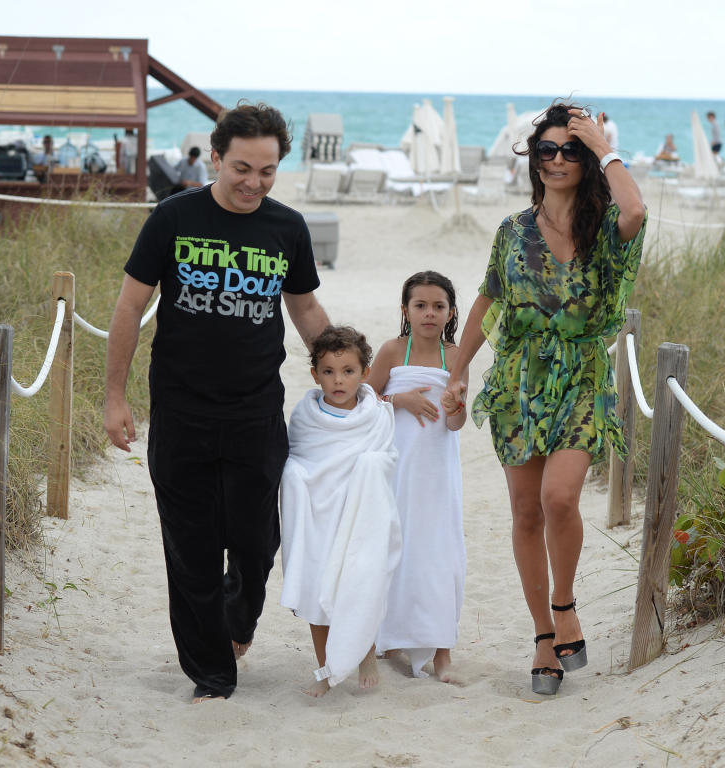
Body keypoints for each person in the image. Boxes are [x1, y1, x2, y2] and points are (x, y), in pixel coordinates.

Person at [104, 102, 330, 703]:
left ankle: (239, 618)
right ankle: (211, 674)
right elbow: (130, 306)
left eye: (268, 170)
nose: (255, 182)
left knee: (257, 543)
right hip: (181, 412)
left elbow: (304, 308)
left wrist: (343, 374)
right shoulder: (173, 218)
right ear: (215, 157)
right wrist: (114, 396)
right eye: (242, 169)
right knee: (192, 547)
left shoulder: (286, 228)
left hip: (256, 411)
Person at [441, 102, 646, 696]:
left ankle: (563, 605)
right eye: (547, 150)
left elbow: (635, 208)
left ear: (587, 161)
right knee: (526, 511)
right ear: (533, 159)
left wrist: (603, 143)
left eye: (570, 150)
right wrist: (458, 371)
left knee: (560, 499)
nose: (557, 159)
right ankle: (541, 639)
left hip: (580, 377)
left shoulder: (605, 228)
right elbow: (487, 300)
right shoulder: (513, 230)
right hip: (518, 384)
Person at [279, 325, 401, 697]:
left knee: (358, 583)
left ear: (365, 373)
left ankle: (364, 652)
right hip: (317, 518)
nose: (338, 380)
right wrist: (296, 478)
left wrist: (368, 468)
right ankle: (327, 670)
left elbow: (387, 459)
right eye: (328, 372)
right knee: (317, 592)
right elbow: (298, 460)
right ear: (315, 374)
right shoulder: (304, 416)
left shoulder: (377, 415)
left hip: (359, 514)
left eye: (348, 371)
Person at [368, 271, 467, 683]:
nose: (429, 313)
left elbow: (459, 422)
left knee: (440, 554)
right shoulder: (393, 350)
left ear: (450, 312)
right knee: (395, 548)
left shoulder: (455, 355)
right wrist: (399, 399)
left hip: (438, 470)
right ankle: (390, 639)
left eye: (438, 306)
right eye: (420, 305)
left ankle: (441, 653)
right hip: (397, 465)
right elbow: (363, 399)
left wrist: (454, 405)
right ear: (406, 310)